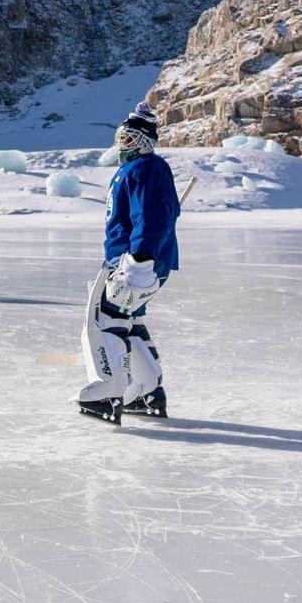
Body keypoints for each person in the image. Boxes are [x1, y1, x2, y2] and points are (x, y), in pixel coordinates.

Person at [77, 103, 182, 424]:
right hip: (128, 260)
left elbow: (152, 216)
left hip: (138, 262)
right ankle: (145, 391)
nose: (122, 144)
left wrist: (139, 260)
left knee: (104, 320)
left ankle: (111, 390)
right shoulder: (133, 170)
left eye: (130, 138)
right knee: (127, 321)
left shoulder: (145, 168)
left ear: (145, 140)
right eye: (121, 137)